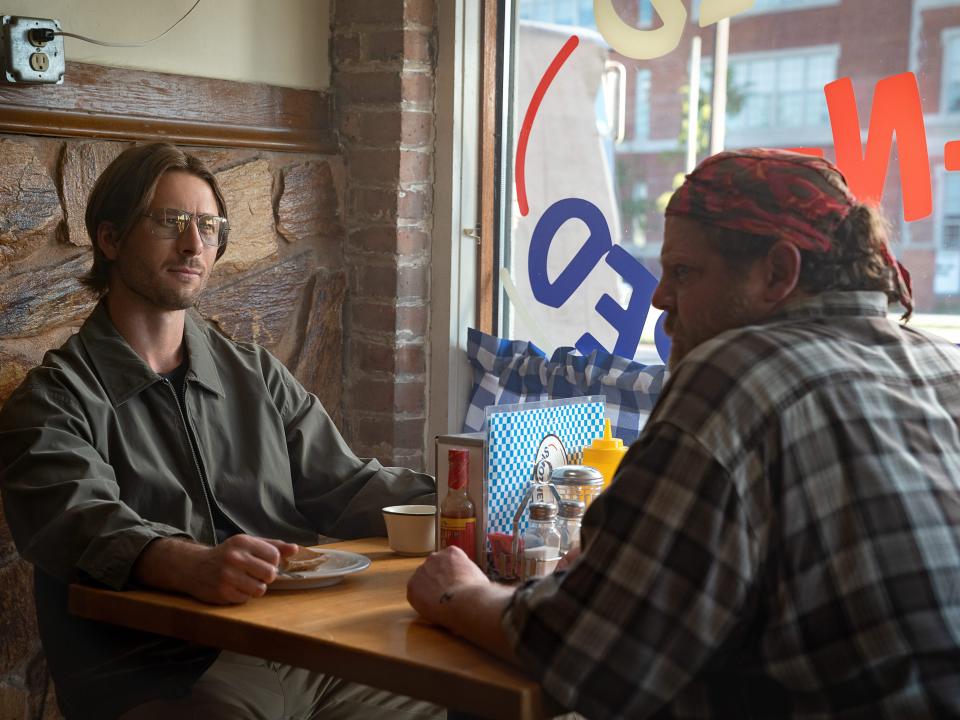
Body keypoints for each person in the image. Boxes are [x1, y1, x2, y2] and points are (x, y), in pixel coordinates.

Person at [407, 148, 960, 718]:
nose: (658, 297)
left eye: (685, 273)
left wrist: (460, 593)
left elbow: (594, 659)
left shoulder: (734, 373)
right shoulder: (944, 368)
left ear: (778, 272)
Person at [0, 143, 442, 720]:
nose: (194, 245)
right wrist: (191, 563)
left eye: (207, 226)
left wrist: (470, 503)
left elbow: (350, 486)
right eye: (170, 222)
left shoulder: (255, 373)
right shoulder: (54, 399)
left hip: (306, 646)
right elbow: (79, 522)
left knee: (466, 698)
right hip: (158, 668)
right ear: (109, 240)